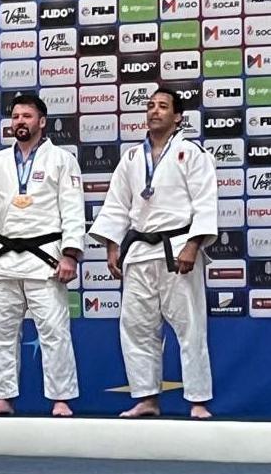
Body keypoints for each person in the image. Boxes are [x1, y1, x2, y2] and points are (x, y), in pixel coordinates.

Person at [89, 88, 217, 419]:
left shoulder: (191, 153)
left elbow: (205, 202)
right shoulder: (132, 157)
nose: (154, 111)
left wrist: (193, 244)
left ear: (177, 117)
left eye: (163, 106)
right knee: (136, 327)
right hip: (139, 252)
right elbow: (117, 204)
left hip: (177, 251)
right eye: (150, 106)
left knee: (190, 327)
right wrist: (111, 245)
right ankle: (146, 398)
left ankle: (198, 400)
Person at [0, 94, 85, 417]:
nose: (20, 122)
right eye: (15, 117)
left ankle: (61, 399)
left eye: (27, 116)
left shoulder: (61, 159)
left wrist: (70, 254)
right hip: (5, 259)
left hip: (46, 259)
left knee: (54, 331)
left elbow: (72, 209)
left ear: (41, 122)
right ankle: (2, 397)